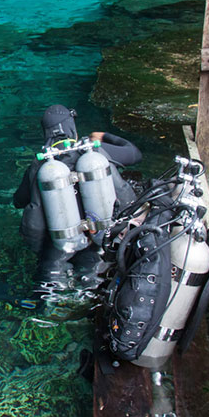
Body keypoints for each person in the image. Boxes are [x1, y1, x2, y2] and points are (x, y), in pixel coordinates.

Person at [12, 104, 142, 309]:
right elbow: (134, 154)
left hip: (60, 243)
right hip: (100, 237)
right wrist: (103, 136)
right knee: (96, 285)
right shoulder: (97, 152)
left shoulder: (40, 166)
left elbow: (20, 203)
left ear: (46, 133)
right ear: (72, 128)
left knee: (48, 294)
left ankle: (50, 309)